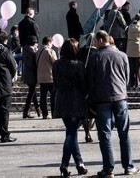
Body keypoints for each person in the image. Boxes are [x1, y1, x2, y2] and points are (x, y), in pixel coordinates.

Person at [85, 30, 138, 177]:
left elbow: (89, 80)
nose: (94, 44)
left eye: (95, 41)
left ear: (101, 40)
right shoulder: (122, 55)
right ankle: (128, 166)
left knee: (105, 135)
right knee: (124, 133)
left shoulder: (95, 57)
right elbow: (127, 78)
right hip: (120, 97)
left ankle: (108, 169)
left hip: (102, 100)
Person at [52, 38, 89, 177]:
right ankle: (64, 164)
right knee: (71, 134)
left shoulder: (56, 64)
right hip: (75, 102)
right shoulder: (78, 65)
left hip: (61, 101)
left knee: (71, 133)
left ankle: (80, 163)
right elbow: (83, 86)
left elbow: (55, 82)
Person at [37, 36, 58, 119]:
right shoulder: (50, 51)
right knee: (53, 96)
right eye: (52, 43)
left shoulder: (38, 51)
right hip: (50, 77)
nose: (52, 45)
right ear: (49, 42)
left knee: (43, 96)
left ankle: (44, 114)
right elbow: (55, 63)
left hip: (40, 77)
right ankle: (54, 113)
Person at [22, 36, 41, 118]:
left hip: (28, 74)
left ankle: (38, 109)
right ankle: (26, 111)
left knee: (33, 92)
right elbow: (30, 64)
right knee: (31, 92)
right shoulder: (30, 51)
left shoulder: (27, 50)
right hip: (31, 74)